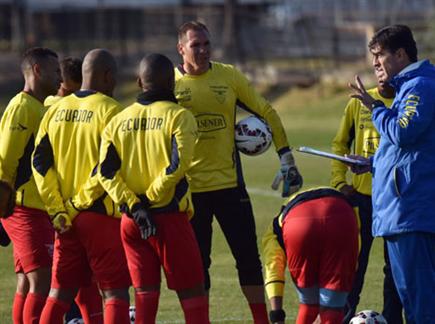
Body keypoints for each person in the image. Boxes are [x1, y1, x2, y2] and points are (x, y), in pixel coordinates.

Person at [174, 20, 303, 322]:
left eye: (207, 43)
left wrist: (286, 156)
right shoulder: (171, 85)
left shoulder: (228, 76)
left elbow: (266, 111)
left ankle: (261, 319)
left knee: (248, 260)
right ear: (181, 49)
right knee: (197, 265)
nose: (204, 50)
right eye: (196, 45)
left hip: (230, 186)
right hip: (190, 191)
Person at [98, 53, 209, 324]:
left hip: (133, 222)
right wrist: (150, 199)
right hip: (168, 217)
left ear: (138, 82)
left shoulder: (118, 121)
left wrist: (135, 206)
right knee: (193, 291)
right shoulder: (180, 117)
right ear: (172, 82)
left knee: (145, 293)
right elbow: (177, 166)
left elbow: (104, 172)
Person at [32, 48, 131, 324]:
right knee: (114, 292)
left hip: (64, 220)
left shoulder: (55, 109)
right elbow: (107, 168)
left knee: (59, 293)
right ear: (108, 76)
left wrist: (57, 209)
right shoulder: (112, 110)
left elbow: (39, 164)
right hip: (100, 217)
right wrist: (78, 204)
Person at [348, 24, 435, 323]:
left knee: (419, 302)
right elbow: (412, 151)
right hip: (406, 210)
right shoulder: (410, 88)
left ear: (400, 54)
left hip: (411, 212)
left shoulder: (420, 86)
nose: (374, 63)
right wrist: (372, 164)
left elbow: (403, 131)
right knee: (415, 298)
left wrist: (374, 107)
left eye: (379, 55)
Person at [331, 70, 403, 322]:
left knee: (394, 268)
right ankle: (343, 316)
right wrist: (340, 181)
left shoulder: (407, 101)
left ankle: (392, 317)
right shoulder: (357, 103)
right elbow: (340, 144)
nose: (382, 73)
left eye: (386, 65)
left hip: (396, 200)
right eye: (377, 67)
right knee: (354, 266)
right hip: (362, 199)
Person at [0, 47, 61, 324]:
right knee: (43, 281)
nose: (60, 75)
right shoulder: (22, 107)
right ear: (37, 70)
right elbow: (5, 161)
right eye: (55, 69)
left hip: (36, 208)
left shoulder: (39, 106)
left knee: (26, 281)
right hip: (24, 208)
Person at [262, 187, 359, 324]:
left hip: (298, 223)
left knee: (309, 303)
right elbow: (356, 249)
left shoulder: (273, 231)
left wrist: (277, 315)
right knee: (333, 307)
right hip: (342, 214)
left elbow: (273, 268)